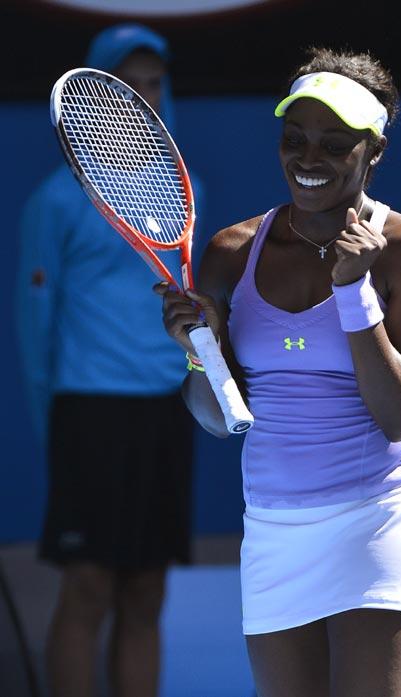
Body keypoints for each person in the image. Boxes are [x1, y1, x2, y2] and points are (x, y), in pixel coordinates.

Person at [158, 48, 401, 697]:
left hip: (380, 519)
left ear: (373, 151)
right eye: (294, 140)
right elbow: (217, 418)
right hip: (274, 529)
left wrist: (354, 293)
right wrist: (198, 348)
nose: (308, 158)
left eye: (333, 143)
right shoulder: (232, 252)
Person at [16, 24, 204, 697]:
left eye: (154, 82)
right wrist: (56, 425)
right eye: (128, 84)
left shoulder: (184, 193)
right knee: (90, 586)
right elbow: (33, 327)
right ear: (96, 100)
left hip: (163, 413)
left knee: (146, 590)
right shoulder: (56, 200)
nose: (144, 96)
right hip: (89, 414)